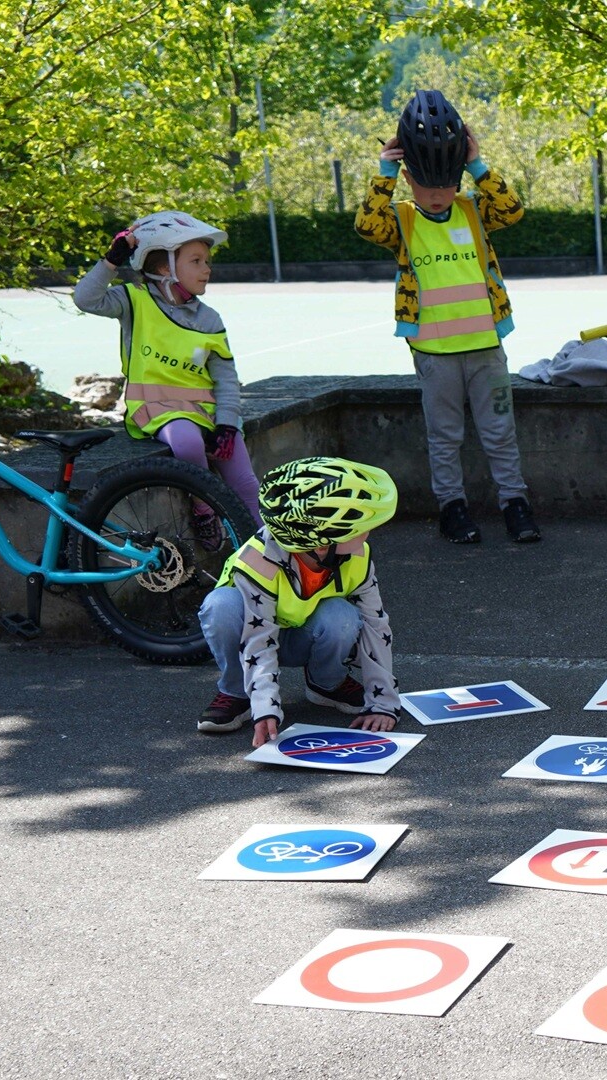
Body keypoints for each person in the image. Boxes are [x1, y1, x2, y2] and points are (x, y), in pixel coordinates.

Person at [355, 89, 542, 545]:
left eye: (446, 185)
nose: (437, 196)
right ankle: (452, 507)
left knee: (500, 433)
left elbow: (512, 210)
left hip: (486, 349)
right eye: (426, 187)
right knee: (445, 436)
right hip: (434, 354)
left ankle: (514, 503)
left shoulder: (473, 211)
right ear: (409, 179)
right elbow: (366, 225)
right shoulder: (401, 220)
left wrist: (477, 164)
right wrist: (384, 174)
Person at [74, 211, 260, 547]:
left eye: (207, 261)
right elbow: (85, 299)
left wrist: (227, 424)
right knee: (187, 443)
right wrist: (112, 259)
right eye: (196, 261)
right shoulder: (133, 300)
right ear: (164, 268)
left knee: (246, 484)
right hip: (156, 408)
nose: (207, 269)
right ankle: (204, 508)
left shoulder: (209, 318)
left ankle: (269, 553)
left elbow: (226, 379)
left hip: (207, 411)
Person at [196, 457, 403, 741]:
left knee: (342, 615)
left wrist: (383, 704)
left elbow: (375, 627)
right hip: (251, 638)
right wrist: (265, 708)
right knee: (220, 604)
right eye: (359, 528)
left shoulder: (356, 556)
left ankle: (326, 684)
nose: (367, 534)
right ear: (321, 544)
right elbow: (257, 639)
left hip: (303, 637)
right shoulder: (258, 560)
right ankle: (237, 692)